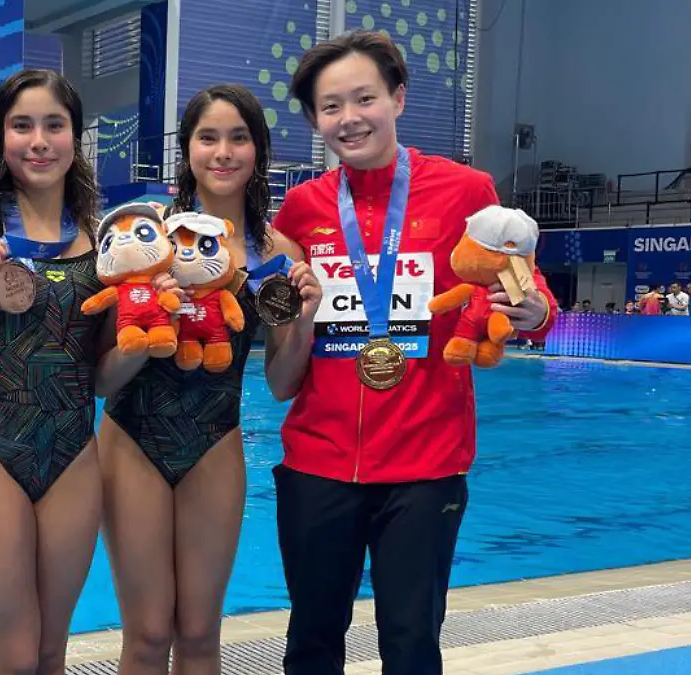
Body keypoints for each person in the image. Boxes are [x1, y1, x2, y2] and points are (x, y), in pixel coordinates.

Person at [265, 31, 558, 675]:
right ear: (315, 120)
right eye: (331, 106)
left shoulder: (465, 190)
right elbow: (286, 337)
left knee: (411, 642)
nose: (350, 118)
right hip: (317, 462)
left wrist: (536, 311)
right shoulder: (302, 208)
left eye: (364, 97)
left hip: (426, 468)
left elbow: (521, 284)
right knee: (311, 639)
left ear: (398, 98)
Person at [0, 69, 173, 675]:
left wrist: (143, 339)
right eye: (22, 125)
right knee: (10, 659)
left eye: (54, 125)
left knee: (50, 653)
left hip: (72, 453)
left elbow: (103, 378)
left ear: (76, 137)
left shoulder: (103, 240)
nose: (39, 141)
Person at [96, 84, 320, 675]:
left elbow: (280, 383)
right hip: (132, 438)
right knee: (146, 634)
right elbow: (101, 380)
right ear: (187, 150)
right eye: (208, 137)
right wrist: (151, 327)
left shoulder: (278, 254)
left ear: (259, 150)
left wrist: (303, 322)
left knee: (198, 635)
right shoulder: (145, 237)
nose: (223, 152)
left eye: (238, 138)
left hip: (216, 442)